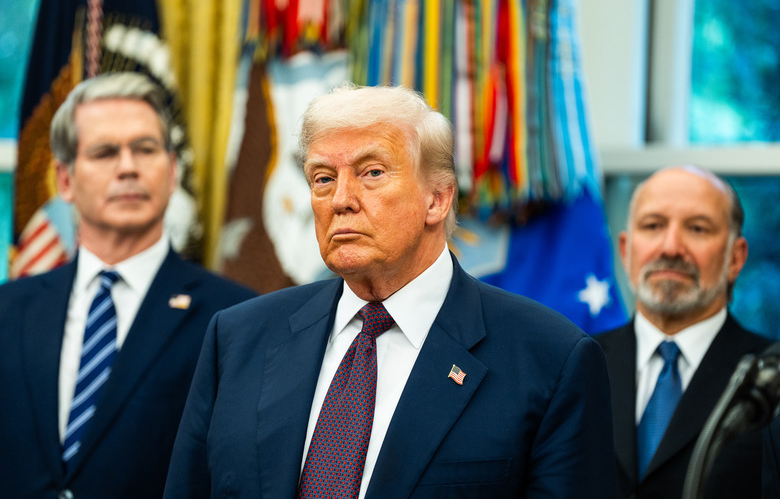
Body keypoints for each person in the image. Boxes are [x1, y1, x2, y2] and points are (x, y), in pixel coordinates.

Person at [164, 84, 617, 499]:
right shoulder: (239, 338)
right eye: (323, 178)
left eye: (372, 172)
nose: (341, 199)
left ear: (437, 199)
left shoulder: (550, 360)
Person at [0, 72, 257, 499]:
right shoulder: (8, 311)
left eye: (145, 149)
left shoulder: (237, 319)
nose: (128, 167)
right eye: (104, 153)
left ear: (172, 172)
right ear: (64, 180)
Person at [596, 166, 770, 499]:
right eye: (653, 226)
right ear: (625, 250)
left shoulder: (771, 378)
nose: (671, 247)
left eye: (697, 228)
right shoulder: (573, 366)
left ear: (736, 258)